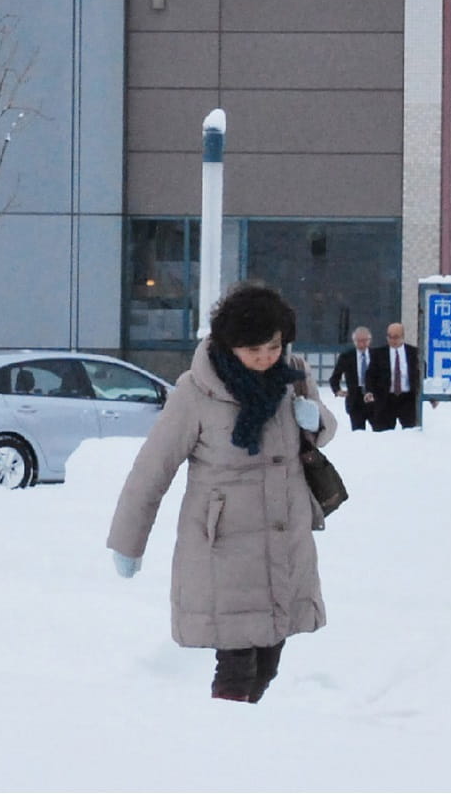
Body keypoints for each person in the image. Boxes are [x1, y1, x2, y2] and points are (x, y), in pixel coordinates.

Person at [107, 282, 336, 703]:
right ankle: (222, 746)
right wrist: (128, 542)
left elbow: (321, 433)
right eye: (254, 351)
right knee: (236, 664)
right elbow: (151, 469)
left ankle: (243, 737)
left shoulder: (293, 376)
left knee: (269, 658)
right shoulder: (196, 392)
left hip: (284, 539)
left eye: (273, 347)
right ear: (230, 346)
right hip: (224, 546)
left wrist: (315, 418)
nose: (266, 359)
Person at [363, 322, 422, 430]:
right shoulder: (378, 354)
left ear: (403, 337)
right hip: (385, 398)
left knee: (412, 432)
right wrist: (369, 391)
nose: (392, 340)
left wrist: (429, 394)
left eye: (396, 337)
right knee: (383, 433)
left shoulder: (414, 353)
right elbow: (370, 374)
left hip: (408, 399)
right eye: (389, 337)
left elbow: (421, 375)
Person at [327, 326, 376, 432]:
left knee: (381, 433)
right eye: (358, 341)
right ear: (354, 341)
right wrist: (337, 390)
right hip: (355, 400)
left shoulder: (377, 355)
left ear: (369, 341)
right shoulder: (346, 357)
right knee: (358, 434)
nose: (362, 344)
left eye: (364, 341)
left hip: (374, 398)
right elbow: (334, 377)